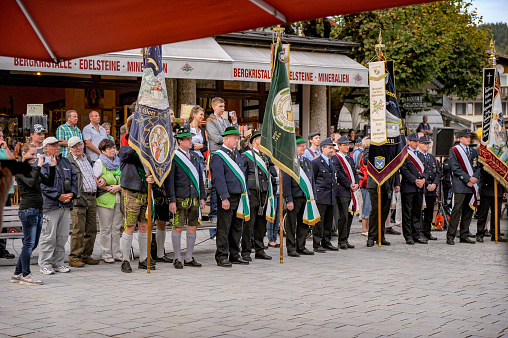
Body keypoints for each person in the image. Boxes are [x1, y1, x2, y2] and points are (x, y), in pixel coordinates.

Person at [10, 144, 56, 285]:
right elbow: (31, 183)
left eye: (36, 154)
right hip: (28, 209)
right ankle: (26, 276)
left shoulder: (33, 168)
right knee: (29, 243)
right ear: (24, 154)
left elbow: (48, 182)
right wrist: (39, 166)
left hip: (37, 209)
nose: (35, 157)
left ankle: (17, 274)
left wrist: (52, 167)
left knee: (32, 243)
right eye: (32, 154)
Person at [167, 126, 206, 268]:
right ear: (180, 141)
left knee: (192, 227)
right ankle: (177, 258)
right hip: (179, 198)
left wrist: (202, 196)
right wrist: (171, 200)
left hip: (194, 197)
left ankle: (189, 257)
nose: (191, 141)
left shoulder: (195, 156)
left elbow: (200, 179)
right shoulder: (174, 157)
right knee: (177, 227)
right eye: (188, 139)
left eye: (190, 138)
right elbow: (169, 181)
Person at [38, 137, 78, 275]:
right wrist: (58, 195)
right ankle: (45, 264)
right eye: (53, 145)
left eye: (57, 144)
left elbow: (74, 178)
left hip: (66, 204)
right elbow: (43, 185)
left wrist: (72, 193)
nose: (57, 147)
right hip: (50, 205)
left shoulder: (65, 160)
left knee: (62, 236)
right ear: (46, 148)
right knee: (48, 236)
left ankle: (58, 262)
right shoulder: (43, 163)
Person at [210, 126, 248, 267]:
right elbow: (218, 178)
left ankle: (234, 254)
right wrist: (224, 197)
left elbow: (242, 176)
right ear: (226, 139)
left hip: (239, 196)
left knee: (236, 227)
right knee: (224, 227)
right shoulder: (219, 156)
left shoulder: (236, 154)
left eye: (237, 138)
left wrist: (245, 195)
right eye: (234, 138)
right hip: (227, 197)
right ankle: (221, 256)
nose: (237, 140)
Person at [119, 131, 156, 272]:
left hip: (145, 191)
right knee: (129, 226)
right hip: (132, 192)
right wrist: (138, 146)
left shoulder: (148, 153)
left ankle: (143, 258)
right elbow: (125, 155)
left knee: (144, 226)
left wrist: (153, 179)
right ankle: (125, 260)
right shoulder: (125, 149)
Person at [241, 130, 276, 261]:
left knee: (261, 223)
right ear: (255, 140)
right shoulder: (246, 155)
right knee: (249, 223)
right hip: (252, 192)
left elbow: (273, 173)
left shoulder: (266, 157)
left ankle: (260, 250)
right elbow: (243, 176)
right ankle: (245, 251)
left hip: (264, 192)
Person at [67, 137, 100, 267]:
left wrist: (100, 180)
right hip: (79, 197)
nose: (78, 148)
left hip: (92, 196)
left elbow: (93, 175)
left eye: (80, 145)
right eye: (75, 146)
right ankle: (74, 257)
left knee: (91, 229)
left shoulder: (87, 159)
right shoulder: (68, 161)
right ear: (70, 149)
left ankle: (86, 255)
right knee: (78, 229)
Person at [206, 97, 238, 231]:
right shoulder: (210, 121)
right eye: (220, 106)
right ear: (214, 107)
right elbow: (217, 138)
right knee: (215, 184)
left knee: (226, 181)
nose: (223, 108)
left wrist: (235, 123)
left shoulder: (225, 121)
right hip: (217, 153)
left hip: (228, 154)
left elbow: (234, 135)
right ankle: (213, 213)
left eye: (224, 106)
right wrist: (226, 139)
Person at [283, 135, 316, 256]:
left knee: (304, 223)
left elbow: (311, 181)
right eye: (301, 146)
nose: (303, 148)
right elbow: (286, 182)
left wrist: (313, 197)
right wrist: (289, 199)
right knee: (291, 224)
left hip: (305, 197)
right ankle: (291, 248)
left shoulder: (307, 162)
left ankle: (300, 246)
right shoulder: (290, 162)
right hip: (294, 197)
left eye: (304, 146)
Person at [446, 129, 480, 245]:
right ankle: (450, 235)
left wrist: (474, 178)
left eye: (469, 137)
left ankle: (464, 234)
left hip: (471, 185)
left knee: (468, 210)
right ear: (460, 139)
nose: (468, 139)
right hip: (460, 184)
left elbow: (477, 167)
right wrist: (468, 179)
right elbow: (455, 168)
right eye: (466, 137)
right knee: (457, 210)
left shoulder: (473, 151)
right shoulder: (454, 150)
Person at [93, 139, 124, 263]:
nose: (112, 150)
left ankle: (116, 252)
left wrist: (119, 187)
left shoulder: (119, 162)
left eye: (113, 147)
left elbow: (125, 178)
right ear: (102, 151)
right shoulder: (99, 162)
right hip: (105, 198)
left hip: (118, 198)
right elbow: (95, 180)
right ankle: (106, 253)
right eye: (109, 148)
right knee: (106, 228)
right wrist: (107, 187)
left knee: (117, 227)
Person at [363, 145, 400, 247]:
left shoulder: (390, 148)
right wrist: (375, 151)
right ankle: (371, 237)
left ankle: (381, 236)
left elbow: (395, 166)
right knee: (375, 210)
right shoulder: (370, 148)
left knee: (384, 211)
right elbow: (365, 161)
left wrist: (397, 183)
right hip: (374, 183)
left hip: (387, 183)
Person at [400, 133, 428, 245]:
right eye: (414, 141)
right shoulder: (404, 153)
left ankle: (416, 234)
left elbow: (426, 169)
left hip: (420, 187)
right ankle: (408, 235)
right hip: (409, 186)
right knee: (407, 212)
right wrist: (415, 180)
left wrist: (423, 179)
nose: (416, 143)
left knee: (417, 212)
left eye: (417, 141)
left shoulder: (421, 155)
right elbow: (404, 169)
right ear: (409, 141)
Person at [312, 138, 338, 252]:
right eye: (329, 148)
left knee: (328, 221)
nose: (332, 150)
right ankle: (317, 243)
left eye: (332, 148)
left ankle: (326, 242)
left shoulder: (332, 161)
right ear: (323, 148)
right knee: (319, 221)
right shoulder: (316, 162)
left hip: (330, 194)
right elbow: (313, 178)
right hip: (321, 195)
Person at [333, 136, 359, 249]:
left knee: (349, 215)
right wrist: (349, 184)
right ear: (339, 146)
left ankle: (346, 239)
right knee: (343, 216)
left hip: (351, 191)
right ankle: (341, 240)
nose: (347, 147)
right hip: (342, 190)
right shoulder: (336, 158)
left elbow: (355, 172)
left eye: (348, 145)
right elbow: (338, 174)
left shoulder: (349, 158)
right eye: (344, 145)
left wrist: (357, 183)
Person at [476, 166, 507, 242]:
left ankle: (495, 234)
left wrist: (505, 189)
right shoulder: (485, 156)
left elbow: (504, 174)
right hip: (486, 188)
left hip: (498, 189)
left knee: (496, 214)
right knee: (483, 213)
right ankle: (480, 234)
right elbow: (482, 171)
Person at [418, 136, 439, 241]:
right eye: (425, 143)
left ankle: (427, 231)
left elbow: (438, 172)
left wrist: (434, 184)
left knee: (429, 211)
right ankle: (420, 231)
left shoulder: (431, 157)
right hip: (423, 188)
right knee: (421, 211)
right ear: (419, 144)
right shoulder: (417, 156)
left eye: (428, 144)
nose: (427, 145)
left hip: (432, 189)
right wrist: (427, 184)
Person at [0, 128, 15, 259]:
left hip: (7, 189)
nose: (1, 138)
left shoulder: (3, 149)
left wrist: (5, 148)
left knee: (5, 221)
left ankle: (2, 248)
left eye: (1, 136)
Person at [357, 138, 370, 236]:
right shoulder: (364, 155)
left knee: (367, 204)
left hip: (364, 182)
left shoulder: (361, 154)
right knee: (367, 205)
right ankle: (365, 229)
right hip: (366, 182)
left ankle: (367, 228)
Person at [266, 165, 280, 248]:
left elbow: (285, 179)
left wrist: (276, 180)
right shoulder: (270, 166)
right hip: (272, 194)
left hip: (280, 193)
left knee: (278, 217)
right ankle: (270, 239)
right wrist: (278, 180)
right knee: (272, 216)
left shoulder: (281, 166)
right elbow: (269, 179)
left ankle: (275, 238)